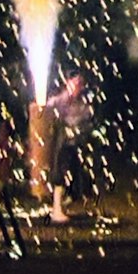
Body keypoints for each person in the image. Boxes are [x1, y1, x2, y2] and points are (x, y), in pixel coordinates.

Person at [46, 72, 93, 225]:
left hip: (75, 144)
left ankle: (66, 202)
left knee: (76, 176)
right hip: (64, 143)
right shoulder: (62, 99)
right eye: (74, 84)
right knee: (59, 173)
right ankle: (56, 210)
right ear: (67, 83)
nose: (76, 88)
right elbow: (49, 105)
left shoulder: (82, 102)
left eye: (79, 85)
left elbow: (86, 117)